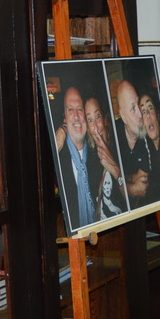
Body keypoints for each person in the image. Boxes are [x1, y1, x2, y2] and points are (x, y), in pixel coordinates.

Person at [55, 86, 102, 228]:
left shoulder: (98, 155)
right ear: (64, 116)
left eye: (80, 109)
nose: (76, 116)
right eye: (70, 109)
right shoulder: (57, 155)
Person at [84, 94, 127, 220]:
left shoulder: (121, 147)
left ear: (105, 118)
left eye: (98, 116)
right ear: (87, 127)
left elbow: (135, 199)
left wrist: (114, 167)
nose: (96, 126)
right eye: (90, 120)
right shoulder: (88, 158)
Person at [114, 78, 151, 204]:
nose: (140, 114)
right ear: (123, 116)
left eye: (138, 104)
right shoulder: (112, 134)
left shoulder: (148, 135)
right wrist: (130, 188)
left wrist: (120, 178)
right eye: (133, 109)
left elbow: (141, 184)